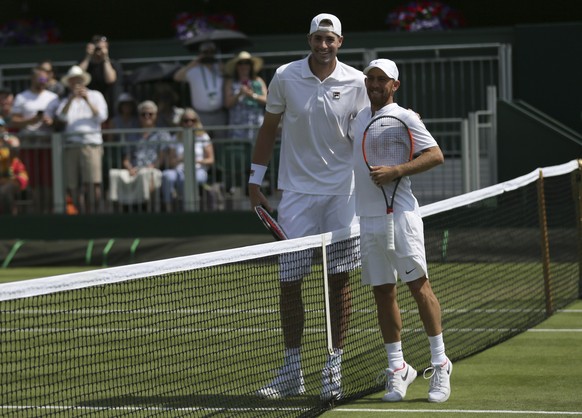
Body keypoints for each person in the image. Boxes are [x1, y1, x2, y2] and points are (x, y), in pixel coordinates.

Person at [248, 13, 369, 401]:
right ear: (309, 39)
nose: (322, 45)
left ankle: (333, 367)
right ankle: (291, 370)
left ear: (340, 42)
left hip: (343, 195)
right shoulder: (284, 76)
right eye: (317, 38)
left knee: (339, 282)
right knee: (289, 283)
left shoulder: (357, 82)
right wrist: (254, 180)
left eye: (329, 39)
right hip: (296, 195)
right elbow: (269, 128)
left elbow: (367, 131)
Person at [351, 58, 450, 403]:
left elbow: (436, 154)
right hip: (369, 219)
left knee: (418, 287)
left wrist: (397, 170)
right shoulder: (359, 118)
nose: (375, 84)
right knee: (382, 292)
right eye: (371, 78)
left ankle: (440, 363)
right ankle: (398, 368)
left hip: (402, 217)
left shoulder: (406, 117)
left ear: (395, 85)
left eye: (382, 80)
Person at [55, 65, 108, 214]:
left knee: (93, 183)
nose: (76, 84)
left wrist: (87, 100)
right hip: (71, 145)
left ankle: (94, 214)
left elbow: (102, 117)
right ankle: (80, 213)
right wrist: (71, 100)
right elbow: (61, 118)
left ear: (84, 81)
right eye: (73, 81)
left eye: (78, 80)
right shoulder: (65, 100)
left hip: (91, 144)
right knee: (73, 184)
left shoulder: (96, 95)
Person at [10, 66, 59, 212]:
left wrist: (51, 122)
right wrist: (31, 121)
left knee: (49, 181)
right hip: (29, 146)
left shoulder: (53, 98)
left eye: (45, 79)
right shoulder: (21, 97)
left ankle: (50, 211)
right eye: (40, 78)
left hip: (49, 146)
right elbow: (13, 120)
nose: (43, 81)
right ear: (32, 79)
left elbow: (60, 120)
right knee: (33, 181)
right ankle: (35, 211)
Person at [108, 100, 171, 212]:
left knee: (146, 175)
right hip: (133, 169)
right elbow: (126, 159)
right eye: (143, 114)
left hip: (152, 169)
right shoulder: (132, 134)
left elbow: (162, 157)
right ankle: (118, 214)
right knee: (115, 174)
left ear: (156, 116)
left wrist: (150, 167)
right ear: (139, 116)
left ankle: (150, 210)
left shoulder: (163, 134)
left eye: (150, 114)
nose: (147, 116)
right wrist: (130, 169)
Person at [161, 107, 214, 212]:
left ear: (196, 122)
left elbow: (210, 160)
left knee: (188, 179)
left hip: (198, 170)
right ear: (181, 122)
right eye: (186, 121)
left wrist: (195, 161)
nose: (189, 123)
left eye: (192, 121)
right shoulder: (175, 138)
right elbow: (171, 162)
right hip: (179, 169)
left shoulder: (203, 137)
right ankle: (169, 207)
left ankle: (188, 209)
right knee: (167, 176)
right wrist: (181, 159)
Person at [173, 41, 227, 139]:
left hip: (219, 113)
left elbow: (231, 74)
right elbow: (177, 77)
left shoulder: (220, 68)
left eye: (212, 52)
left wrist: (222, 66)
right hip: (201, 115)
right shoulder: (194, 70)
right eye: (206, 52)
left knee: (221, 142)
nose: (209, 55)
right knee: (201, 141)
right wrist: (194, 62)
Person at [223, 51, 267, 140]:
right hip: (237, 125)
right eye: (240, 63)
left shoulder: (258, 80)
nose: (244, 66)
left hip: (256, 123)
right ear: (236, 66)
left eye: (247, 63)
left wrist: (253, 95)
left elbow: (267, 101)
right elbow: (227, 104)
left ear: (251, 66)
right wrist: (239, 94)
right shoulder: (230, 82)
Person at [78, 35, 124, 118]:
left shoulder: (113, 64)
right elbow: (77, 75)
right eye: (97, 48)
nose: (99, 51)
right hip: (88, 106)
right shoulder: (85, 62)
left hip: (109, 105)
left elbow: (110, 80)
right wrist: (88, 56)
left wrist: (105, 57)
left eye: (103, 48)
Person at [0, 118, 29, 215]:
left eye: (1, 126)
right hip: (2, 178)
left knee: (5, 191)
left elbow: (15, 148)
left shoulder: (10, 139)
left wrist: (6, 140)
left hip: (15, 177)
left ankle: (11, 219)